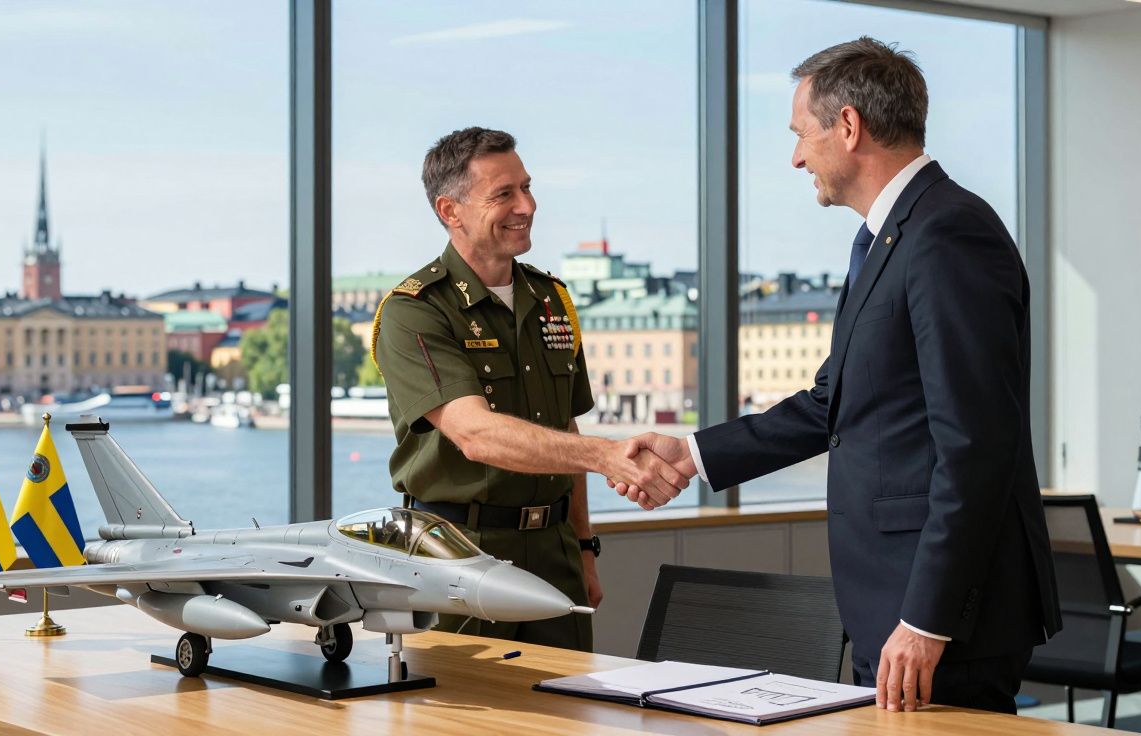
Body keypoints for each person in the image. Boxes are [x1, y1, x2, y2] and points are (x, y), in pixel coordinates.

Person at [617, 38, 1061, 713]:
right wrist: (695, 453)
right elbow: (834, 403)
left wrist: (926, 620)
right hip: (894, 603)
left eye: (801, 134)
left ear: (848, 126)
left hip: (941, 617)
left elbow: (977, 446)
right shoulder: (894, 237)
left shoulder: (947, 235)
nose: (796, 156)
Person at [372, 126, 687, 652]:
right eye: (504, 194)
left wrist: (585, 551)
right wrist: (608, 457)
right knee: (458, 716)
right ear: (451, 211)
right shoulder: (414, 311)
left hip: (554, 553)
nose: (527, 205)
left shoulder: (552, 300)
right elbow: (476, 434)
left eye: (527, 187)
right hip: (456, 553)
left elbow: (566, 427)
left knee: (567, 709)